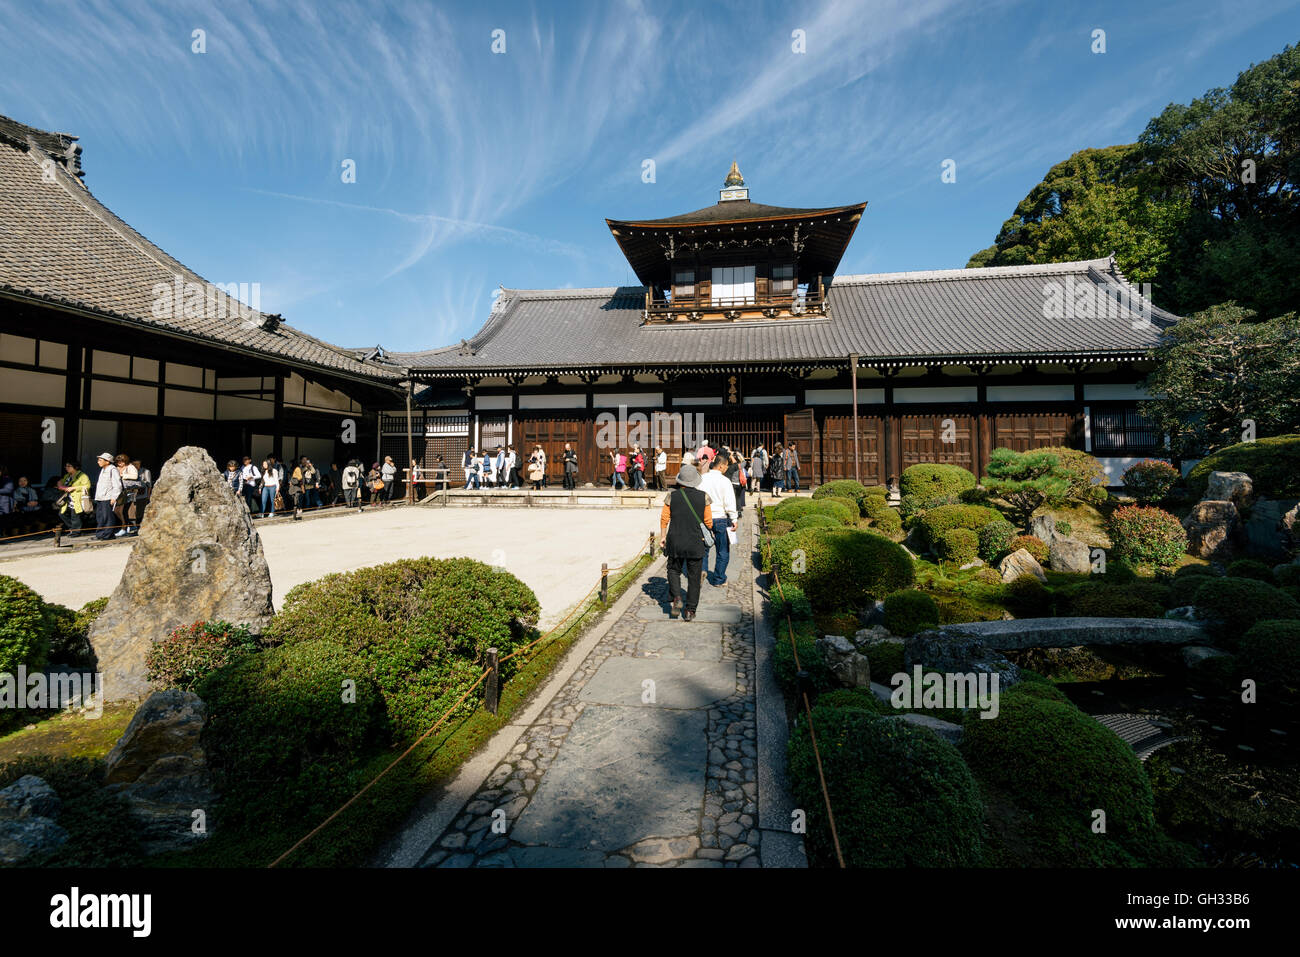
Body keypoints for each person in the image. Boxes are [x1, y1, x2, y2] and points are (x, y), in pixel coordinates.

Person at [659, 462, 713, 622]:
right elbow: (708, 522)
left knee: (673, 570)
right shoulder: (704, 497)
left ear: (680, 480)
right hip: (696, 541)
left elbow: (664, 518)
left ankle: (676, 597)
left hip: (675, 540)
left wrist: (663, 536)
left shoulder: (671, 496)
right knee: (694, 577)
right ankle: (690, 610)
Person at [699, 452, 738, 586]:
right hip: (720, 518)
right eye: (726, 466)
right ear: (721, 466)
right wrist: (734, 518)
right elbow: (729, 502)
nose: (727, 468)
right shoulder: (725, 481)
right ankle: (719, 579)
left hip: (704, 518)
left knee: (704, 548)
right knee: (722, 550)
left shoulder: (702, 478)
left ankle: (702, 570)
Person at [92, 452, 123, 540]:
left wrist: (114, 497)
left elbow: (117, 485)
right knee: (100, 516)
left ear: (107, 461)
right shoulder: (103, 469)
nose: (98, 462)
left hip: (108, 496)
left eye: (100, 460)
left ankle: (108, 535)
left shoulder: (112, 469)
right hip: (100, 497)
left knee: (107, 516)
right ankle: (100, 534)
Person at [56, 461, 92, 536]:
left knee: (75, 516)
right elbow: (61, 482)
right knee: (62, 514)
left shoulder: (82, 475)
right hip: (67, 499)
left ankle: (76, 532)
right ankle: (72, 529)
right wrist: (60, 485)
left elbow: (87, 486)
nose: (67, 468)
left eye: (69, 466)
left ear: (75, 467)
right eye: (66, 466)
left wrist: (74, 488)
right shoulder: (67, 475)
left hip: (77, 499)